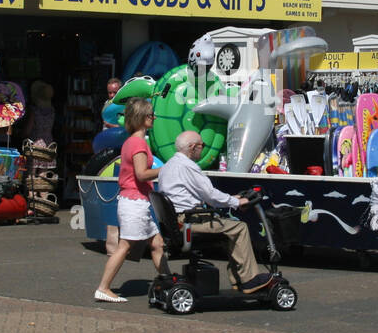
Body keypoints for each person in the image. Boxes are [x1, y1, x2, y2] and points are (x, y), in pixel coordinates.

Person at [156, 130, 272, 292]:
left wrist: (234, 198)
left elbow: (202, 194)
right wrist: (238, 202)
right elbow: (210, 195)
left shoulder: (169, 165)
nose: (202, 149)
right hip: (190, 221)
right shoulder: (188, 166)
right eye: (201, 145)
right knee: (240, 228)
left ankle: (237, 279)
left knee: (228, 228)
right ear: (192, 147)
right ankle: (248, 280)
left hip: (179, 221)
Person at [93, 99, 168, 303]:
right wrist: (168, 168)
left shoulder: (130, 142)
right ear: (142, 118)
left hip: (136, 200)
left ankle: (168, 281)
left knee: (157, 244)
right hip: (134, 201)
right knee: (125, 246)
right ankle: (103, 287)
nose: (153, 118)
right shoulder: (138, 143)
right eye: (151, 115)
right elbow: (142, 174)